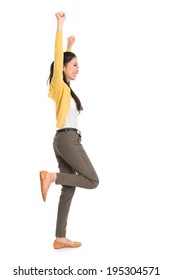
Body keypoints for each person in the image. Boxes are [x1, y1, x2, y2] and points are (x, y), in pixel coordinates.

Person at [39, 11, 99, 249]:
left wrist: (70, 46)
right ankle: (50, 177)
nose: (77, 69)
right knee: (92, 180)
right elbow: (56, 56)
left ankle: (60, 237)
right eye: (74, 65)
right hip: (67, 140)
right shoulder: (58, 86)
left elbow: (61, 59)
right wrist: (60, 25)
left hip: (64, 140)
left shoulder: (66, 89)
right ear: (62, 68)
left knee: (69, 188)